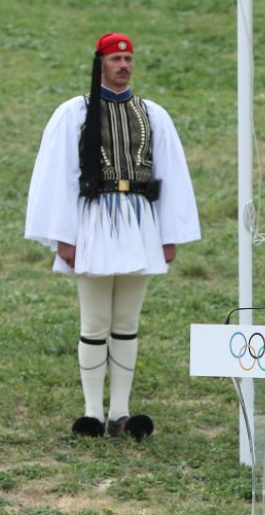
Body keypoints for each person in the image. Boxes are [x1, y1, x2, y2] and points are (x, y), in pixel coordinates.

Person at [25, 33, 200, 440]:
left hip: (139, 222)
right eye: (116, 58)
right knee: (95, 319)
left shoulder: (152, 114)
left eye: (128, 58)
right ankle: (91, 412)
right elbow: (61, 175)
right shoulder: (75, 112)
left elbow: (169, 174)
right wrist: (63, 236)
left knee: (126, 321)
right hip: (94, 224)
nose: (124, 65)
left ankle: (120, 412)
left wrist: (168, 235)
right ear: (100, 62)